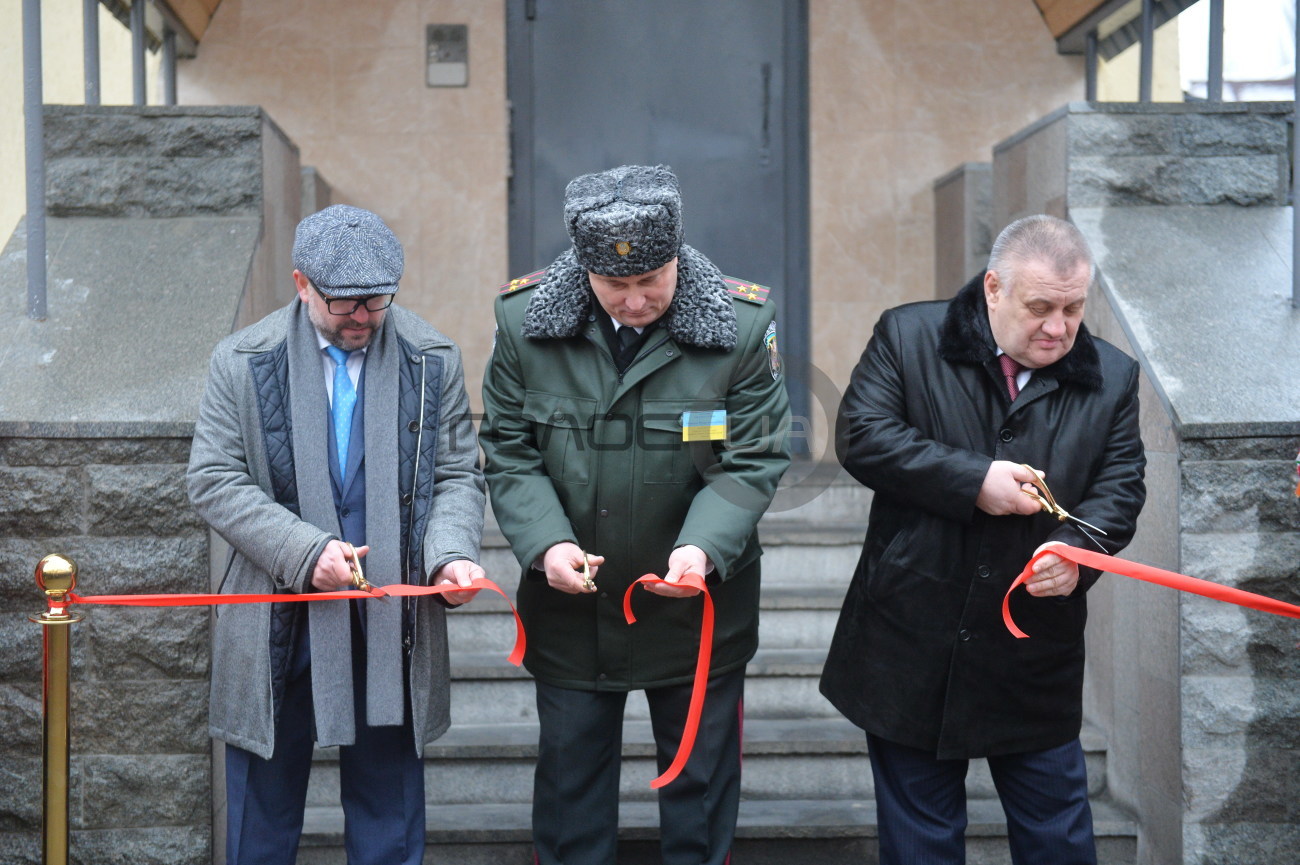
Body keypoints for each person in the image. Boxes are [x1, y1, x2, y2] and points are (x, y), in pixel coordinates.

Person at [480, 164, 791, 865]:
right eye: (615, 285)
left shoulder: (742, 328)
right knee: (569, 793)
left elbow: (755, 457)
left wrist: (703, 548)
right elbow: (508, 447)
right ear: (583, 271)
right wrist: (544, 542)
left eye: (651, 280)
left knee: (701, 787)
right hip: (572, 607)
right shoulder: (524, 324)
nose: (635, 300)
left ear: (678, 255)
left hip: (695, 604)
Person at [819, 214, 1146, 864]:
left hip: (1033, 650)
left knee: (1058, 838)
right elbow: (863, 434)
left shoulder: (1114, 375)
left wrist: (1079, 557)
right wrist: (974, 481)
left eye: (1074, 307)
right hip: (910, 635)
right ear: (993, 288)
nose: (1059, 327)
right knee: (921, 844)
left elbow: (1121, 487)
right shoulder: (909, 334)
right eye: (1041, 307)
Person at [187, 204, 486, 865]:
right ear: (301, 284)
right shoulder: (241, 360)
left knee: (391, 817)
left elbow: (458, 475)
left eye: (377, 302)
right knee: (259, 823)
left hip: (390, 618)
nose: (363, 318)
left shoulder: (431, 356)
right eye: (345, 303)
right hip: (276, 614)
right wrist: (305, 551)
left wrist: (451, 557)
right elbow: (212, 479)